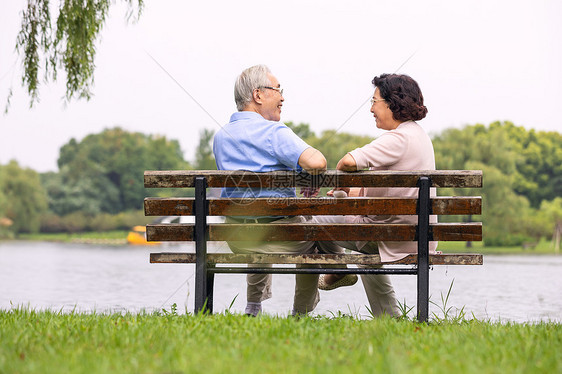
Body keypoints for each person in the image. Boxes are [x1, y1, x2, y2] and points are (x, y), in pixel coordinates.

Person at [213, 64, 341, 316]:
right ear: (258, 95)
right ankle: (301, 313)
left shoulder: (221, 136)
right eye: (277, 90)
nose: (282, 97)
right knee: (312, 238)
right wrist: (307, 176)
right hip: (281, 235)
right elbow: (318, 162)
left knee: (257, 223)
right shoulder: (273, 132)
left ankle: (253, 307)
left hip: (238, 238)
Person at [317, 73, 438, 317]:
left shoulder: (398, 139)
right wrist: (350, 191)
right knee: (366, 251)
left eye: (374, 101)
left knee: (312, 221)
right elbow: (391, 191)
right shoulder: (418, 135)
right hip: (414, 233)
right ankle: (388, 318)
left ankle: (336, 272)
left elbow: (347, 162)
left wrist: (341, 182)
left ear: (392, 102)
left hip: (392, 235)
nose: (371, 108)